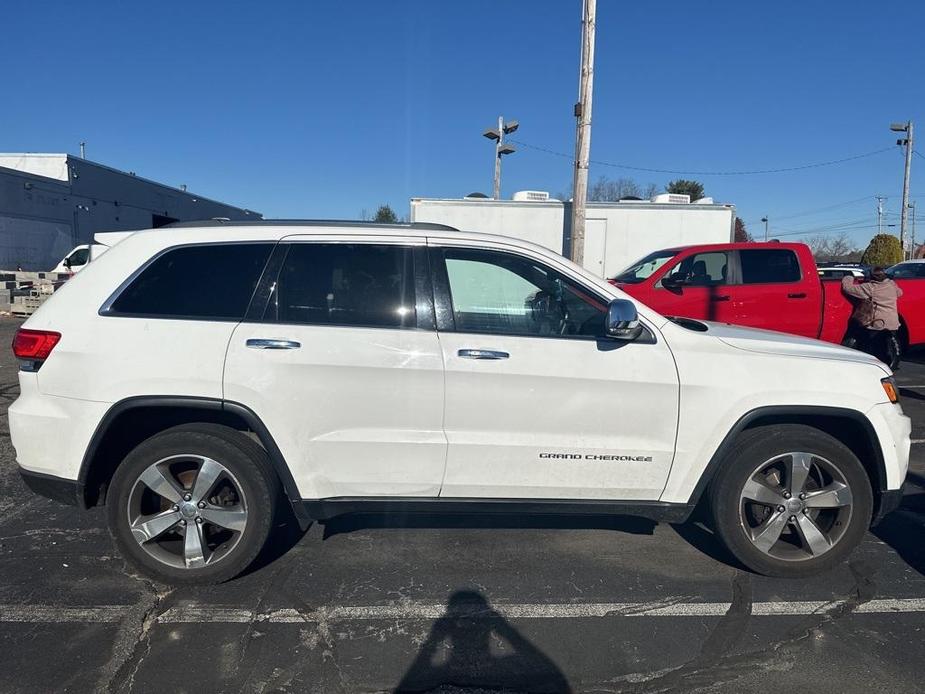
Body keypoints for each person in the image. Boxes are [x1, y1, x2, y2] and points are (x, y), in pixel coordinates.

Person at [841, 267, 903, 368]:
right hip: (892, 322)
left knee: (875, 347)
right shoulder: (891, 284)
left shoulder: (870, 287)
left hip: (878, 323)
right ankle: (892, 363)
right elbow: (900, 293)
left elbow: (848, 288)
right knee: (889, 345)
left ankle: (877, 366)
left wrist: (848, 277)